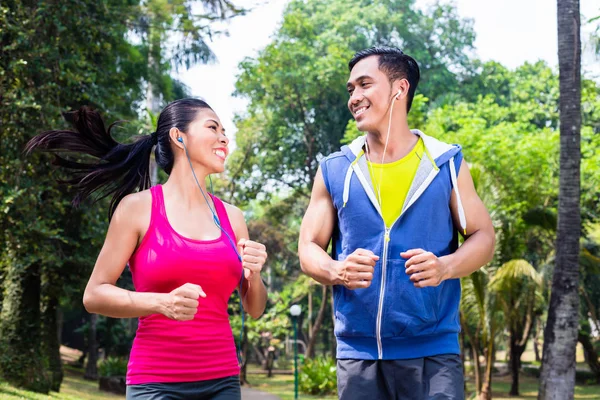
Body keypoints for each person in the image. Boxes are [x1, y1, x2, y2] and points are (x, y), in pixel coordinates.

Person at [26, 98, 268, 400]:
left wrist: (255, 274)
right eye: (212, 127)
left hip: (222, 382)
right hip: (155, 382)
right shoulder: (138, 209)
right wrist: (161, 303)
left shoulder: (232, 217)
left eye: (224, 131)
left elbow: (254, 309)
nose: (224, 137)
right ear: (179, 136)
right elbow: (94, 294)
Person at [298, 46, 495, 399]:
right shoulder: (335, 169)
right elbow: (308, 247)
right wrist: (337, 270)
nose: (354, 98)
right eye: (350, 89)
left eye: (364, 85)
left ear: (399, 89)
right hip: (359, 354)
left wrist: (445, 267)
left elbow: (483, 236)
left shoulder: (444, 163)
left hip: (433, 351)